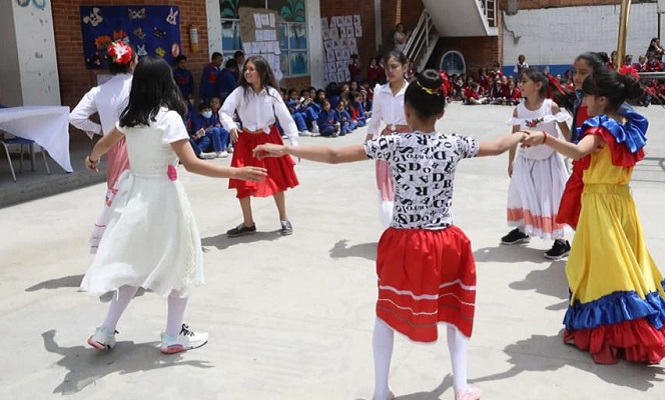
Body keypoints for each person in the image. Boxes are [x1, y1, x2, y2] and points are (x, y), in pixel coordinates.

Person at [253, 69, 527, 400]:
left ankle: (381, 390)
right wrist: (523, 135)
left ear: (407, 111)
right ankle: (460, 386)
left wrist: (285, 150)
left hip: (404, 242)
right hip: (445, 242)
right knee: (456, 312)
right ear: (442, 111)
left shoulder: (393, 143)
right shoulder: (455, 143)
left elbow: (334, 154)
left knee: (386, 314)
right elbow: (499, 146)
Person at [80, 56, 267, 354]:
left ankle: (105, 331)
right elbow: (192, 164)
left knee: (132, 264)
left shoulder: (130, 117)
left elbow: (104, 143)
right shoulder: (168, 118)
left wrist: (92, 159)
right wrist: (237, 171)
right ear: (166, 82)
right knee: (183, 262)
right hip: (164, 198)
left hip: (134, 196)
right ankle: (172, 335)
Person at [521, 69, 665, 364]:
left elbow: (577, 152)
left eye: (587, 95)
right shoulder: (628, 125)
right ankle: (637, 326)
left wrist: (544, 139)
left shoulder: (600, 128)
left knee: (601, 269)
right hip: (622, 202)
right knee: (629, 264)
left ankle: (621, 334)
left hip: (601, 206)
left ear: (602, 99)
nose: (584, 101)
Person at [219, 55, 301, 237]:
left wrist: (294, 145)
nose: (247, 72)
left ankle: (284, 219)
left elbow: (286, 119)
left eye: (251, 69)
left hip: (269, 140)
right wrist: (231, 126)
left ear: (262, 72)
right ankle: (248, 223)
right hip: (246, 140)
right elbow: (224, 112)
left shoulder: (272, 93)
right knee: (242, 180)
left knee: (276, 179)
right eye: (245, 69)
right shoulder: (240, 92)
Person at [69, 40, 137, 253]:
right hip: (141, 142)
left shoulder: (98, 91)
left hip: (113, 145)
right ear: (132, 62)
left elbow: (75, 117)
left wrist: (101, 129)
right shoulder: (139, 85)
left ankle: (120, 250)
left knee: (118, 198)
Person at [503, 68, 572, 259]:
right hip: (525, 161)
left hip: (548, 162)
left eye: (524, 81)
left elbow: (567, 134)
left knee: (551, 198)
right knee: (521, 195)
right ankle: (522, 230)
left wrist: (576, 151)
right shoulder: (519, 109)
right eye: (519, 81)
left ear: (538, 85)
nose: (519, 85)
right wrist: (511, 161)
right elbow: (514, 137)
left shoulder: (551, 107)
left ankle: (561, 242)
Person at [555, 52, 610, 231]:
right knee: (579, 219)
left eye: (583, 72)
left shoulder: (603, 106)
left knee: (593, 223)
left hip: (597, 174)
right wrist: (560, 121)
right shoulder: (581, 100)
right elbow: (575, 142)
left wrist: (545, 140)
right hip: (581, 169)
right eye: (575, 72)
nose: (577, 77)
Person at [366, 50, 412, 227]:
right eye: (387, 67)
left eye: (394, 67)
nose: (390, 71)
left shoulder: (411, 91)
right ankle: (390, 228)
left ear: (404, 67)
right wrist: (368, 143)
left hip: (408, 139)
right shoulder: (380, 91)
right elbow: (375, 120)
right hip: (386, 141)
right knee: (386, 186)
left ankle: (407, 227)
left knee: (406, 182)